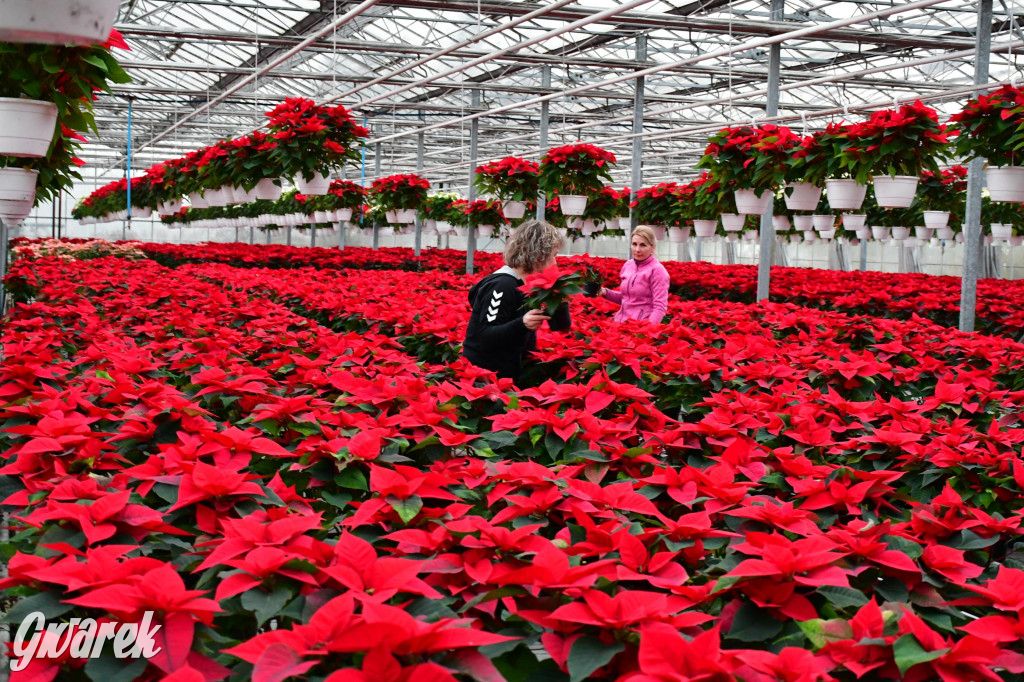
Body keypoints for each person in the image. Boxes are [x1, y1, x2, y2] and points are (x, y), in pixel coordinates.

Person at [463, 220, 571, 380]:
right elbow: (484, 337)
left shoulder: (530, 285)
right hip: (486, 378)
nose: (555, 262)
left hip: (509, 372)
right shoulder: (502, 285)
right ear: (538, 254)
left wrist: (558, 296)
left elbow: (561, 326)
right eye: (553, 255)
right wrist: (522, 324)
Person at [599, 225, 670, 323]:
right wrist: (605, 292)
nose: (637, 249)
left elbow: (660, 307)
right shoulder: (628, 265)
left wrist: (646, 330)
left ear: (652, 247)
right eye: (634, 244)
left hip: (639, 327)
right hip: (620, 323)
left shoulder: (657, 271)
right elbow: (626, 299)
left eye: (643, 245)